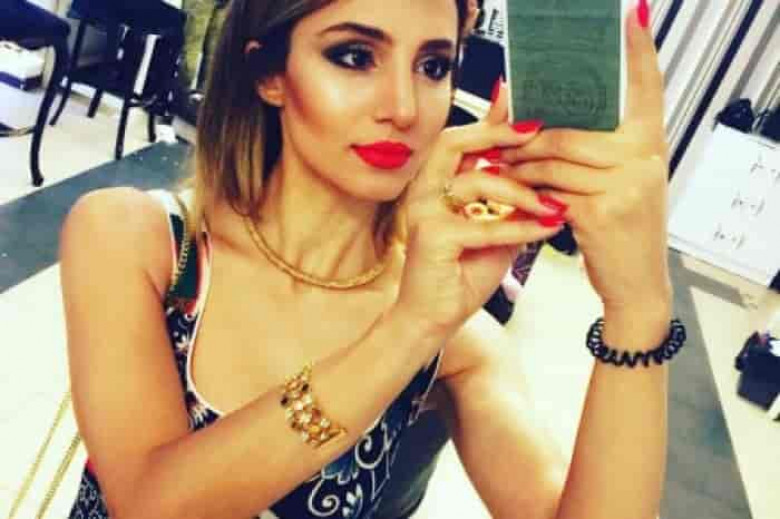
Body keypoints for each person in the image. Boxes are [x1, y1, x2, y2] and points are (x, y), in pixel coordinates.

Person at [59, 0, 677, 518]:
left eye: (433, 66)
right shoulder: (142, 240)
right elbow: (148, 503)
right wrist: (407, 329)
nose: (404, 107)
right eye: (354, 56)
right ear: (270, 74)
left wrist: (639, 307)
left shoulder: (456, 340)